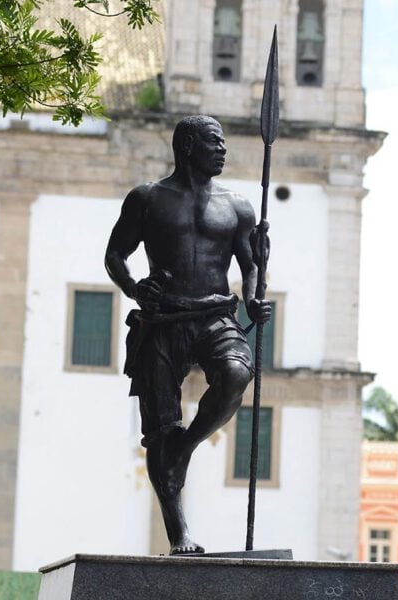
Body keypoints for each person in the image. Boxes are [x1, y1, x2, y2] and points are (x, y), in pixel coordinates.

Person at [104, 115, 271, 555]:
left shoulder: (238, 206)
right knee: (160, 429)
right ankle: (179, 535)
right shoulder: (147, 199)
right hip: (163, 319)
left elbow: (251, 265)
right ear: (189, 146)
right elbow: (115, 255)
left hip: (216, 315)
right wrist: (135, 288)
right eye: (214, 143)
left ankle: (187, 446)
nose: (223, 150)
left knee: (237, 374)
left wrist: (253, 300)